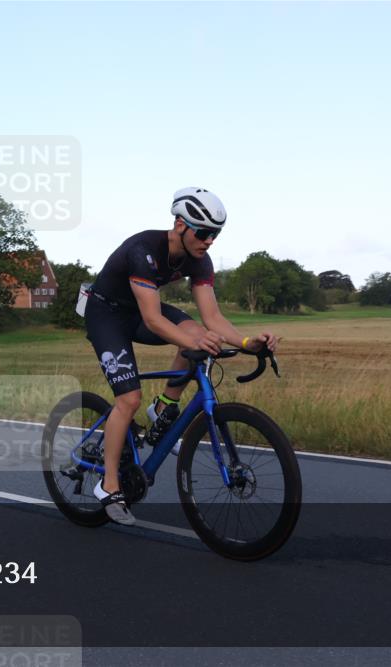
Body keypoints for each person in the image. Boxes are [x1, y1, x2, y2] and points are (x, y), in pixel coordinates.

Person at [84, 187, 278, 525]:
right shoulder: (144, 250)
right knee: (128, 399)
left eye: (215, 234)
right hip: (106, 314)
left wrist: (249, 343)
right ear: (179, 225)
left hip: (138, 311)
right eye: (203, 233)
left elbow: (213, 318)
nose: (209, 241)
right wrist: (197, 341)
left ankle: (163, 406)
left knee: (199, 335)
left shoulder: (199, 260)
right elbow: (153, 320)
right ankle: (108, 483)